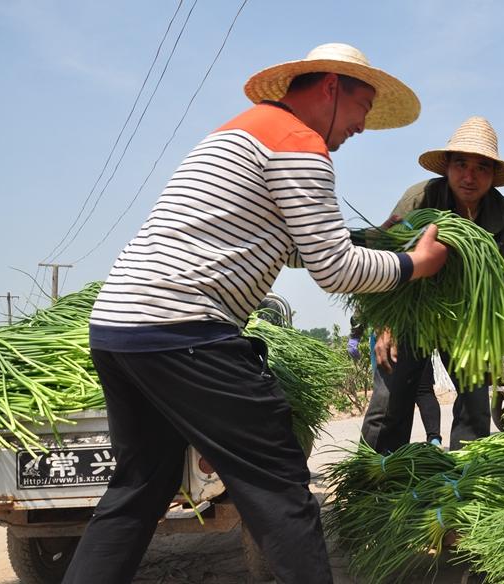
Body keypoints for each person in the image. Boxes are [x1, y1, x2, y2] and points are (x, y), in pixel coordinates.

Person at [63, 43, 447, 584]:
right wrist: (414, 263)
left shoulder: (242, 131)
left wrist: (366, 238)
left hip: (119, 326)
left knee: (140, 484)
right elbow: (334, 270)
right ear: (331, 87)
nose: (362, 125)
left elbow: (284, 244)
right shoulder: (298, 142)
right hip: (184, 328)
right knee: (279, 488)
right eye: (363, 105)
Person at [360, 116, 504, 453]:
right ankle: (375, 483)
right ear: (447, 167)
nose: (469, 176)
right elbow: (384, 260)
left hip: (468, 322)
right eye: (461, 164)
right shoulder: (420, 199)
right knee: (390, 401)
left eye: (482, 168)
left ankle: (462, 486)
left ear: (493, 175)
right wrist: (385, 325)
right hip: (411, 312)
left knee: (474, 405)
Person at [348, 314, 443, 446]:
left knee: (390, 396)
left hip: (394, 334)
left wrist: (356, 336)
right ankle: (433, 440)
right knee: (419, 391)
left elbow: (360, 310)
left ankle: (372, 459)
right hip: (420, 330)